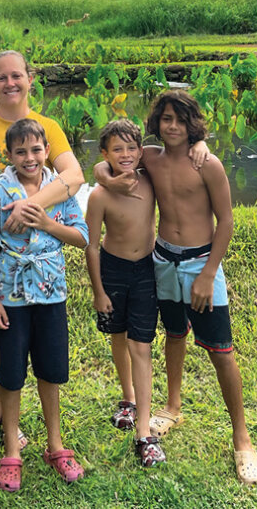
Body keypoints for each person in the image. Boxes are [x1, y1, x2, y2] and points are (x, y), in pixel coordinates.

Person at [94, 90, 257, 485]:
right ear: (157, 122)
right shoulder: (150, 159)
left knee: (221, 351)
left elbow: (225, 221)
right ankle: (172, 407)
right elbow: (105, 166)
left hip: (199, 264)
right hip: (162, 261)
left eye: (181, 120)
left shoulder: (208, 163)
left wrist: (208, 274)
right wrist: (103, 174)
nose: (173, 127)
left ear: (194, 124)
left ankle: (242, 437)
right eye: (166, 119)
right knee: (173, 335)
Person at [0, 50, 85, 451]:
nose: (10, 83)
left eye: (17, 75)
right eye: (2, 77)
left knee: (30, 347)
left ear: (30, 79)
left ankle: (31, 428)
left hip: (37, 249)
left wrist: (28, 208)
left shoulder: (47, 127)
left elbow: (74, 176)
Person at [0, 119, 89, 492]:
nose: (29, 157)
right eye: (20, 151)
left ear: (46, 152)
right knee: (11, 373)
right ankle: (11, 451)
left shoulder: (60, 191)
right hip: (11, 297)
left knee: (51, 370)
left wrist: (47, 223)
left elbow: (82, 238)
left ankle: (55, 445)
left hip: (52, 294)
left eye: (36, 150)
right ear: (9, 155)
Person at [85, 119, 165, 467]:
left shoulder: (150, 180)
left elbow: (171, 159)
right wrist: (97, 290)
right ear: (105, 153)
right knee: (118, 337)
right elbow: (90, 246)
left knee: (141, 345)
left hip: (147, 269)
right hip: (113, 269)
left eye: (132, 148)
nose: (126, 154)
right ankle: (127, 399)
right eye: (117, 149)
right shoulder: (99, 195)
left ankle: (144, 432)